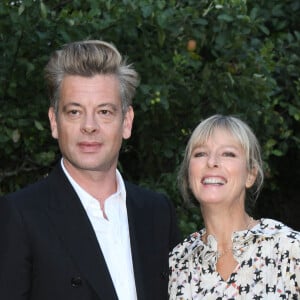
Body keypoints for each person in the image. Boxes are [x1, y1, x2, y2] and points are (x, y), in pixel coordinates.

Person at [0, 40, 180, 300]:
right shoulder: (19, 216)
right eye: (74, 112)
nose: (89, 126)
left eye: (104, 111)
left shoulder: (157, 213)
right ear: (54, 122)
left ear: (126, 122)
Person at [169, 114, 300, 299]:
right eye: (200, 153)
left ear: (250, 175)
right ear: (189, 174)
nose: (211, 162)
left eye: (228, 154)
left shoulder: (289, 249)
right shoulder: (177, 263)